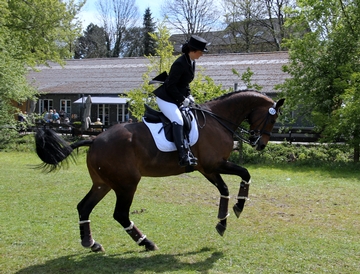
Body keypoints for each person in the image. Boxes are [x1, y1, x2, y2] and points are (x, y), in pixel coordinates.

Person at [153, 35, 208, 167]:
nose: (201, 55)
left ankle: (189, 149)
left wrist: (188, 96)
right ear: (193, 51)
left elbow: (184, 83)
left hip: (175, 98)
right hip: (166, 98)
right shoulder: (180, 63)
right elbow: (170, 85)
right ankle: (182, 155)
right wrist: (182, 99)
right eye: (200, 52)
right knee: (178, 120)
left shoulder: (191, 62)